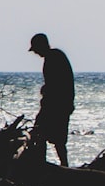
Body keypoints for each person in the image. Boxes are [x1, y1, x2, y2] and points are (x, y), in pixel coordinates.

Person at [28, 32, 74, 166]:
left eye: (36, 49)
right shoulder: (55, 56)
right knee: (46, 136)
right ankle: (49, 163)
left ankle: (54, 165)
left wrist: (46, 91)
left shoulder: (53, 57)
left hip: (57, 105)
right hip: (59, 104)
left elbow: (58, 84)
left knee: (44, 135)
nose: (35, 53)